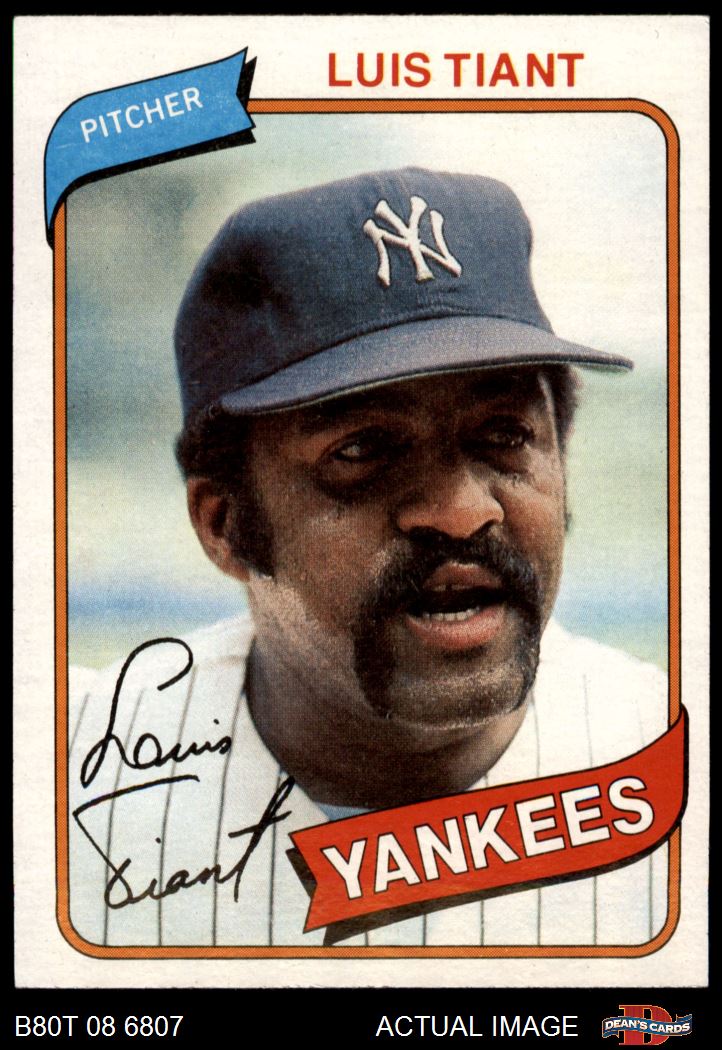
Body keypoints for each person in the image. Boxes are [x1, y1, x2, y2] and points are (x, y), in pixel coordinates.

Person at [67, 168, 668, 949]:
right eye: (363, 450)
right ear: (225, 526)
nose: (461, 512)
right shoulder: (60, 778)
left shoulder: (674, 753)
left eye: (504, 436)